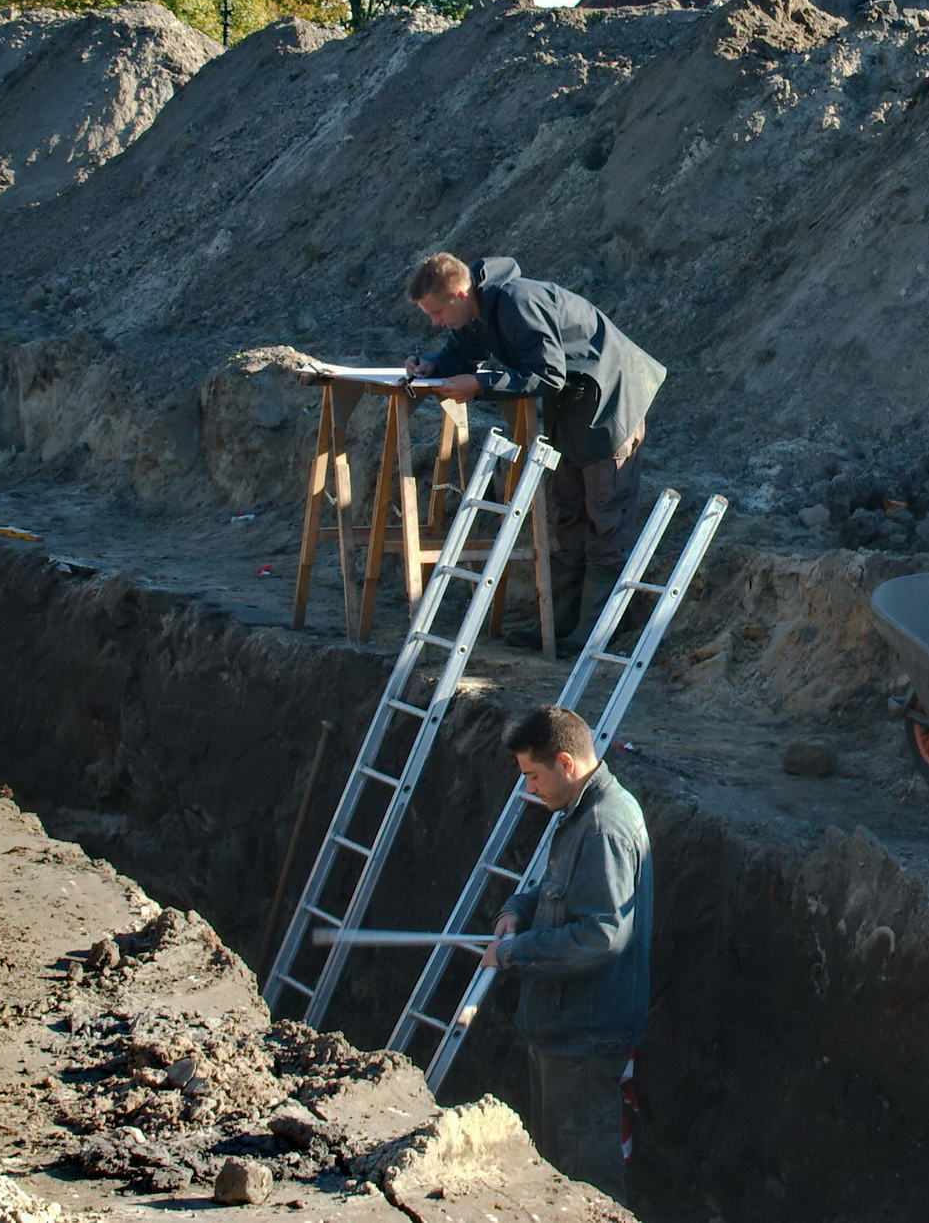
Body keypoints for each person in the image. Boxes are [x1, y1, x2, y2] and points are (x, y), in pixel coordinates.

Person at [404, 252, 664, 647]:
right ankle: (558, 627)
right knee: (571, 510)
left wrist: (481, 386)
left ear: (459, 293)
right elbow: (462, 350)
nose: (435, 322)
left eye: (438, 312)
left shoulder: (517, 303)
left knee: (605, 513)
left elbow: (547, 373)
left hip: (611, 400)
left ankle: (596, 633)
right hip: (575, 403)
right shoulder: (479, 308)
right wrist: (432, 365)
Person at [481, 704, 652, 1200]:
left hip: (585, 1037)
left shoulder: (603, 829)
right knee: (557, 1169)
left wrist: (513, 952)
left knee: (586, 1181)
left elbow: (601, 935)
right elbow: (558, 891)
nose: (529, 788)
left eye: (534, 776)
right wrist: (516, 909)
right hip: (563, 1031)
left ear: (566, 762)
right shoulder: (580, 814)